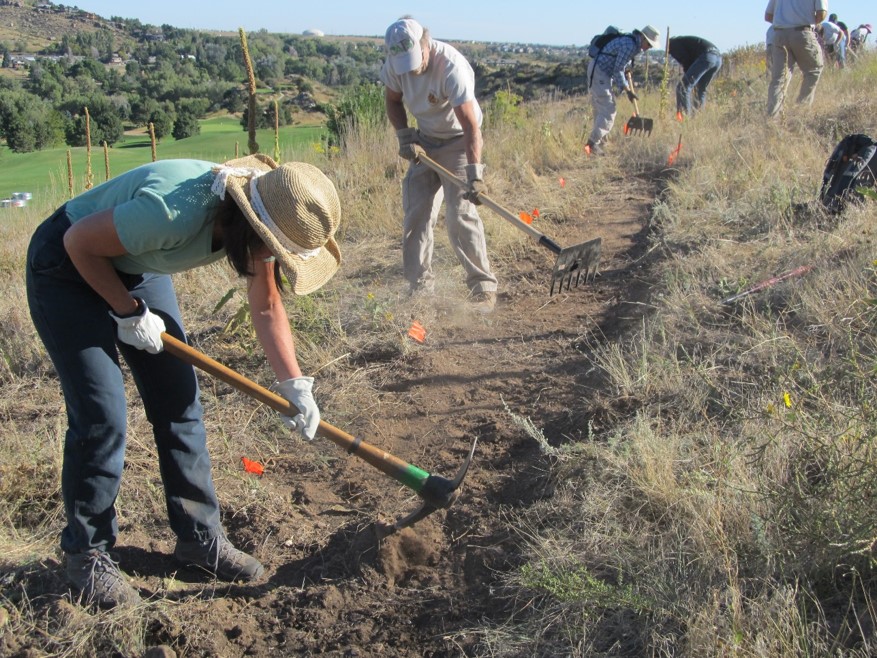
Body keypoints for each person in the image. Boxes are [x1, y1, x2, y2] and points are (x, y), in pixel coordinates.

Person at [25, 155, 342, 607]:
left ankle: (198, 538)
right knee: (103, 413)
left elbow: (267, 304)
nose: (271, 257)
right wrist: (128, 311)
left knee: (179, 400)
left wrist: (295, 385)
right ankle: (86, 555)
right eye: (271, 247)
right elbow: (79, 242)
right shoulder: (172, 211)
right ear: (251, 224)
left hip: (134, 260)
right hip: (68, 263)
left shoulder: (256, 221)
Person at [379, 16, 498, 312]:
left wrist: (474, 174)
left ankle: (482, 288)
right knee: (416, 215)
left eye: (415, 62)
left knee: (460, 215)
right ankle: (420, 288)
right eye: (404, 65)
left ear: (426, 44)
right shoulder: (396, 66)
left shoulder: (451, 68)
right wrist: (405, 137)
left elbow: (471, 126)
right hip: (425, 143)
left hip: (458, 141)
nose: (412, 71)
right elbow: (393, 101)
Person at [585, 25, 660, 155]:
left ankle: (600, 142)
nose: (649, 48)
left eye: (651, 46)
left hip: (599, 70)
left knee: (600, 108)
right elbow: (617, 69)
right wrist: (627, 90)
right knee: (609, 109)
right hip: (599, 71)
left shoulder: (633, 44)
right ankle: (592, 144)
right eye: (649, 44)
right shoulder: (629, 45)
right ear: (642, 37)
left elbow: (620, 65)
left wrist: (627, 71)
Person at [765, 0, 828, 117]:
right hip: (802, 33)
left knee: (779, 79)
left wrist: (785, 21)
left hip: (779, 34)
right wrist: (803, 19)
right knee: (813, 70)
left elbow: (768, 16)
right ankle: (800, 112)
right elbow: (821, 14)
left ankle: (772, 117)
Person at [668, 36, 723, 116]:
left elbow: (686, 61)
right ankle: (698, 119)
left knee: (683, 88)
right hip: (718, 59)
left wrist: (688, 76)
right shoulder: (683, 41)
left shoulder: (673, 45)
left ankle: (684, 120)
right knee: (700, 90)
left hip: (707, 57)